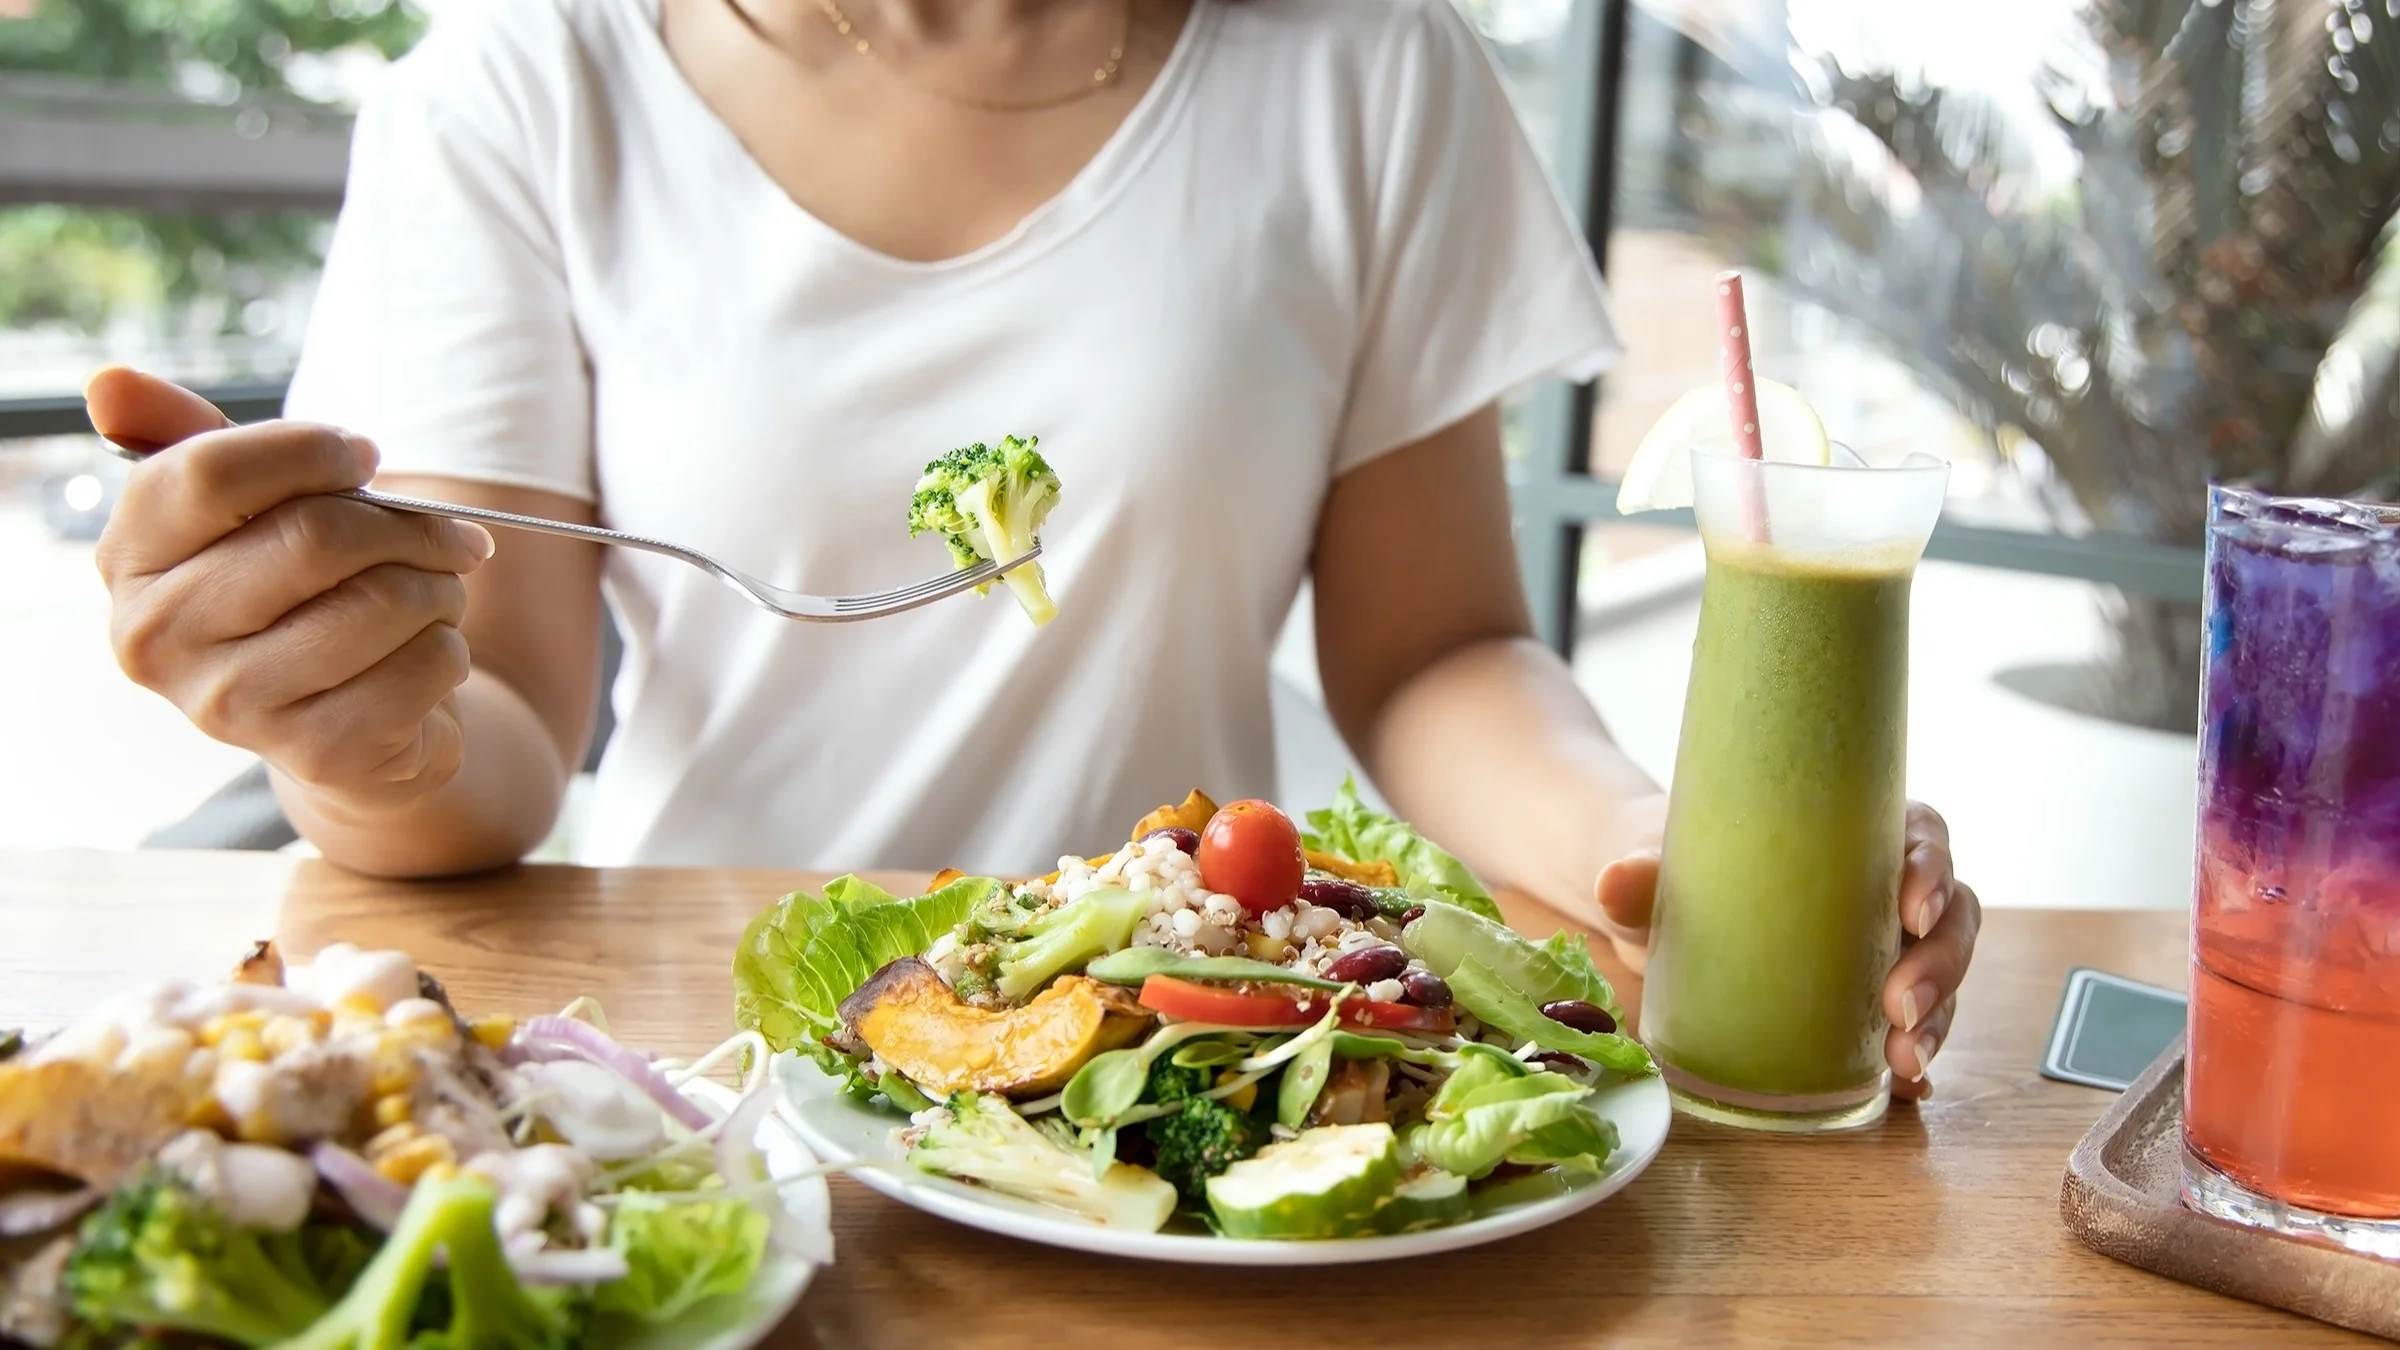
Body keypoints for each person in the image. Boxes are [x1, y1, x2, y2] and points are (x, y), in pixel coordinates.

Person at [86, 0, 1980, 1097]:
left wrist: (1673, 845)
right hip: (699, 1064)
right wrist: (357, 723)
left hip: (1184, 1054)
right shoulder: (523, 79)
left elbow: (1431, 656)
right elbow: (499, 719)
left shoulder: (1365, 62)